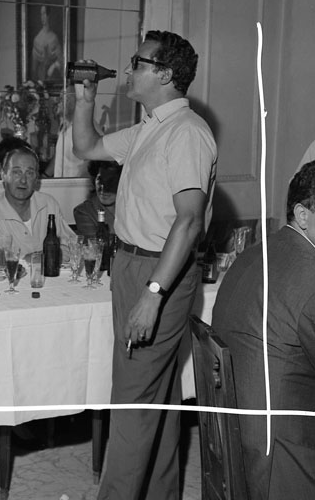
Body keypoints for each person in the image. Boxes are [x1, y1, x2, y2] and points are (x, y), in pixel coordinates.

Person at [72, 30, 217, 500]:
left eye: (139, 62)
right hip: (132, 264)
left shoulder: (187, 132)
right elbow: (86, 147)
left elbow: (189, 221)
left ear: (166, 74)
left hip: (159, 273)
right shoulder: (150, 127)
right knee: (157, 395)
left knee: (132, 404)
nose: (128, 68)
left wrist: (153, 295)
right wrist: (85, 100)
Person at [212, 161, 315, 499]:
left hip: (235, 435)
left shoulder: (258, 253)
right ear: (303, 215)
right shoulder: (310, 277)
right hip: (283, 454)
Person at [0, 146, 76, 258]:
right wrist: (45, 255)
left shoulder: (48, 204)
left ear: (36, 179)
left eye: (29, 173)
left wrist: (35, 257)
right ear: (3, 175)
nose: (23, 180)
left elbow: (71, 246)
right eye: (16, 172)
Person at [45, 85, 89, 178]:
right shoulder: (65, 125)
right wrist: (45, 176)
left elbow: (93, 161)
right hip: (60, 184)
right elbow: (59, 156)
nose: (59, 103)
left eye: (63, 99)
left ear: (75, 101)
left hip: (76, 185)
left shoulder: (87, 127)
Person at [73, 160, 122, 238]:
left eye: (110, 181)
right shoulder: (84, 211)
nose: (103, 187)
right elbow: (96, 244)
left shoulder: (134, 207)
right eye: (100, 180)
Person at [31, 4, 63, 82]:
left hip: (53, 79)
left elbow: (61, 61)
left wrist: (54, 66)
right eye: (41, 14)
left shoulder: (54, 38)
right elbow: (34, 69)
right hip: (41, 80)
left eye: (44, 13)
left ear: (49, 16)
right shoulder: (37, 39)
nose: (42, 17)